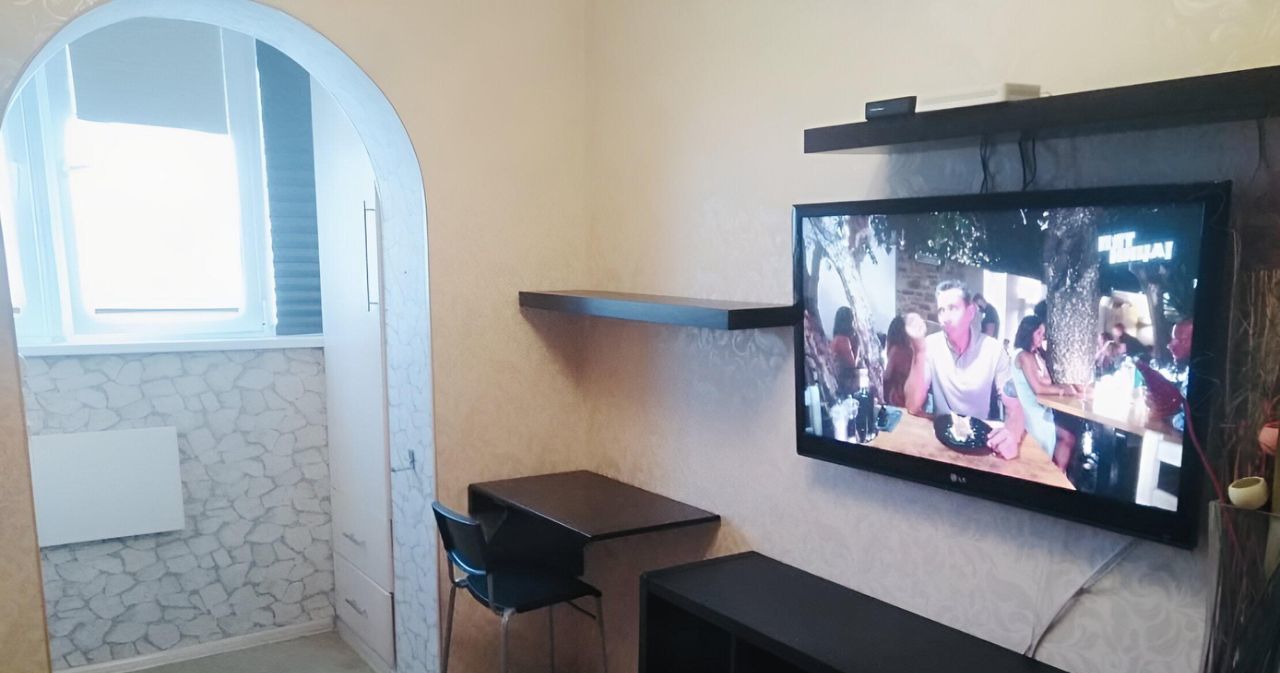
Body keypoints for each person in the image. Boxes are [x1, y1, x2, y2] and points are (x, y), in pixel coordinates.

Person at [904, 280, 1025, 459]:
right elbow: (913, 406)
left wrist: (1012, 435)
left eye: (953, 308)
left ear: (970, 312)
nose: (945, 318)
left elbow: (1015, 408)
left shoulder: (993, 350)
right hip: (941, 443)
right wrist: (919, 352)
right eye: (941, 310)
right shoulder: (931, 345)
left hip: (980, 444)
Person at [1011, 315, 1078, 470]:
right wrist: (1063, 390)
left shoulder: (1037, 355)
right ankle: (1051, 475)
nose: (1042, 337)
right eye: (1039, 333)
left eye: (1043, 333)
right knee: (1064, 439)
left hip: (1043, 411)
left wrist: (1062, 388)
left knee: (1069, 438)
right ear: (1029, 333)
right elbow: (1039, 388)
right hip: (1030, 415)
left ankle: (1057, 474)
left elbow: (1048, 381)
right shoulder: (1023, 356)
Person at [882, 315, 913, 407]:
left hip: (897, 395)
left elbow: (887, 376)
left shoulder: (895, 350)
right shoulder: (910, 350)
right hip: (910, 393)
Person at [831, 306, 860, 396]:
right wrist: (858, 346)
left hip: (838, 382)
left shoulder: (836, 338)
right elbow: (853, 365)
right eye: (853, 321)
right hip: (843, 385)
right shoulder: (843, 340)